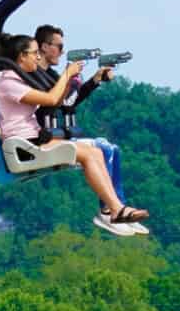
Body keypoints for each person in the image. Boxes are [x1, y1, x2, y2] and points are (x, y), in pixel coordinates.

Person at [0, 32, 148, 236]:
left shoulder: (20, 80)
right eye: (35, 53)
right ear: (21, 56)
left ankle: (113, 210)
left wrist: (78, 81)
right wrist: (67, 74)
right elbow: (50, 98)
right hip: (25, 146)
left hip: (32, 140)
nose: (38, 57)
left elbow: (59, 100)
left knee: (96, 152)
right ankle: (114, 210)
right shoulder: (9, 84)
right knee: (90, 153)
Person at [25, 24, 125, 201]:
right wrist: (68, 79)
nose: (62, 52)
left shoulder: (51, 75)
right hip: (42, 138)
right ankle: (110, 208)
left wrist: (95, 80)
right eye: (59, 47)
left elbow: (68, 104)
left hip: (54, 134)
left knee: (114, 150)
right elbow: (53, 102)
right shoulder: (32, 75)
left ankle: (117, 206)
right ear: (44, 46)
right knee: (105, 148)